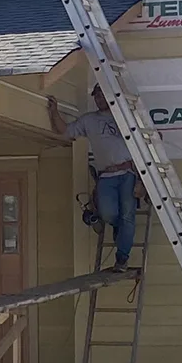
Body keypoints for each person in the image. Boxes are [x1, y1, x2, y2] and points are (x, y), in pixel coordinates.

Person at [48, 87, 139, 268]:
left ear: (110, 96)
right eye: (96, 96)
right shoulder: (89, 120)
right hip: (106, 174)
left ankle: (122, 258)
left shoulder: (125, 117)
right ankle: (119, 229)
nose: (99, 99)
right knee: (108, 214)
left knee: (128, 216)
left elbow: (147, 138)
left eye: (102, 95)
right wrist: (54, 111)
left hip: (128, 172)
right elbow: (65, 131)